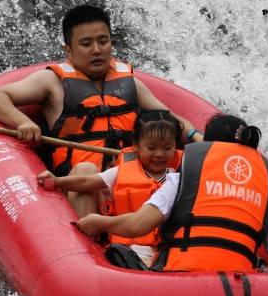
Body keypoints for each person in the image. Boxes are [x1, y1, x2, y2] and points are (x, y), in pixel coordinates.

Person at [0, 4, 203, 218]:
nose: (97, 50)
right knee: (86, 170)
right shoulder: (51, 81)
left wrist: (197, 137)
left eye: (103, 41)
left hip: (130, 183)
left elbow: (171, 122)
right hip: (82, 185)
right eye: (86, 44)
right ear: (68, 50)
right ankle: (88, 246)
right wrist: (23, 122)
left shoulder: (130, 83)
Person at [76, 114, 268, 272]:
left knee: (119, 253)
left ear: (206, 148)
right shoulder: (262, 195)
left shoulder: (180, 180)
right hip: (239, 283)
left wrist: (99, 222)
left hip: (181, 281)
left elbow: (138, 225)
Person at [36, 110, 182, 266]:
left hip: (162, 249)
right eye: (152, 148)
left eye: (167, 148)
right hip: (125, 247)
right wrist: (56, 181)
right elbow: (87, 182)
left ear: (175, 147)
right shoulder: (121, 171)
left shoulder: (180, 177)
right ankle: (83, 253)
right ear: (136, 145)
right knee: (85, 169)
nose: (159, 154)